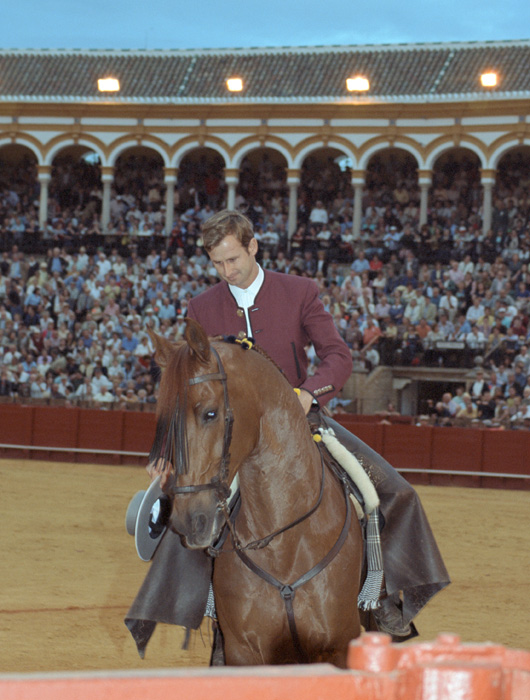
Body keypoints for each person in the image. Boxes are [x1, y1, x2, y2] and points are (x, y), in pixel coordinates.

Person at [184, 211, 449, 638]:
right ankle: (208, 611)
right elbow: (192, 386)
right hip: (234, 436)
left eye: (233, 259)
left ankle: (382, 600)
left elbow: (337, 356)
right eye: (217, 263)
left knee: (396, 494)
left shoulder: (299, 291)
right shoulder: (201, 307)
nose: (226, 272)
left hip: (305, 422)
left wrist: (308, 392)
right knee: (182, 506)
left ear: (253, 247)